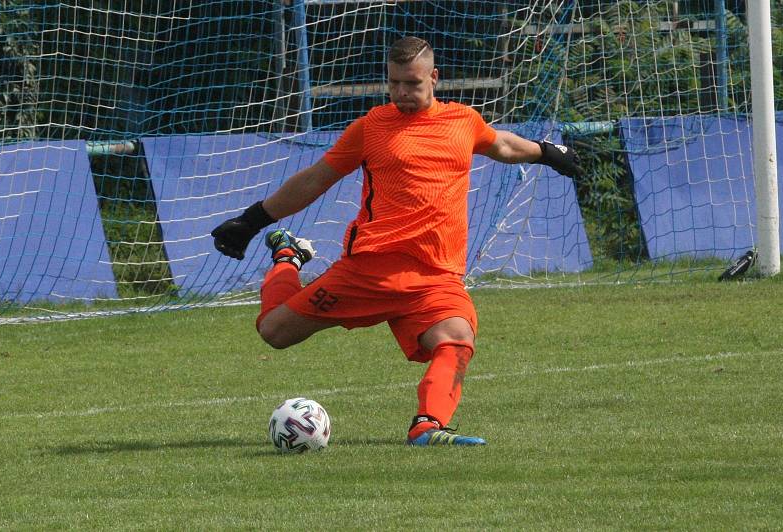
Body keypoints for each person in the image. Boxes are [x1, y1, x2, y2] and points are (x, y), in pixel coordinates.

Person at [211, 36, 582, 446]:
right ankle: (287, 257)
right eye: (394, 84)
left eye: (412, 83)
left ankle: (428, 427)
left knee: (457, 339)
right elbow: (316, 179)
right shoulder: (372, 127)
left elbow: (501, 144)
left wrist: (545, 152)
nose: (402, 93)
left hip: (436, 276)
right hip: (372, 270)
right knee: (274, 332)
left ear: (434, 78)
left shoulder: (462, 121)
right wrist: (252, 220)